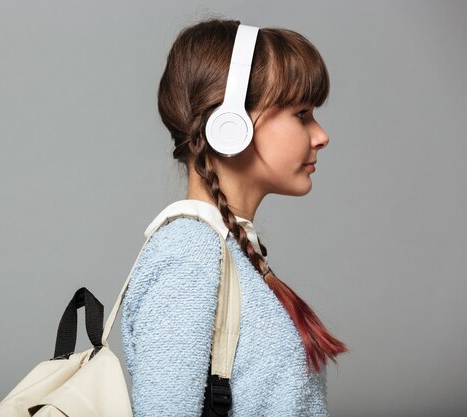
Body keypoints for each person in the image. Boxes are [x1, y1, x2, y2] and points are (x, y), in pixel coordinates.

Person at [119, 17, 348, 417]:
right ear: (230, 126)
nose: (321, 135)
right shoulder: (188, 255)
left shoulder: (229, 251)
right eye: (302, 114)